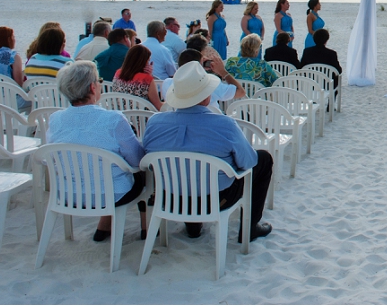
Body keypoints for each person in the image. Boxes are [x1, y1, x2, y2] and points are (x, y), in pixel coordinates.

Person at [142, 61, 273, 242]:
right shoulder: (224, 124)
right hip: (215, 199)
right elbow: (248, 162)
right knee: (263, 159)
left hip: (169, 197)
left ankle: (193, 227)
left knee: (185, 168)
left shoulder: (155, 123)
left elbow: (146, 159)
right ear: (205, 98)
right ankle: (249, 228)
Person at [48, 61, 147, 241]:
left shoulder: (55, 120)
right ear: (93, 87)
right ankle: (146, 228)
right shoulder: (113, 119)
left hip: (70, 193)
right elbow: (136, 160)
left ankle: (104, 226)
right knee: (143, 172)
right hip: (113, 194)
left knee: (102, 170)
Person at [159, 49, 245, 109]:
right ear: (199, 66)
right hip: (211, 125)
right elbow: (241, 92)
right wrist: (223, 72)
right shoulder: (210, 86)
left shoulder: (167, 84)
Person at [111, 44, 163, 110]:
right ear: (143, 62)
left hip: (121, 115)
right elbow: (158, 106)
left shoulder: (118, 73)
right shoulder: (146, 80)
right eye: (148, 61)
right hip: (142, 118)